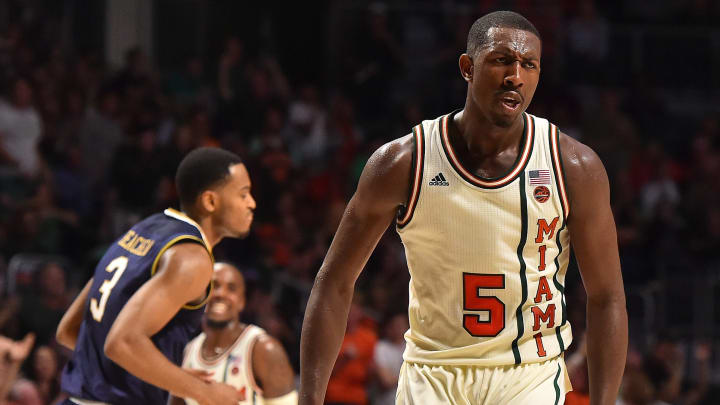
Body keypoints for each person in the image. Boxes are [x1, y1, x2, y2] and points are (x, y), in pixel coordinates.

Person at [300, 10, 627, 405]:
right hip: (432, 372)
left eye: (529, 64)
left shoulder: (574, 166)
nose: (515, 76)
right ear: (467, 67)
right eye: (502, 60)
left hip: (528, 374)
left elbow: (607, 295)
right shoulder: (403, 162)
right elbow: (334, 283)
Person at [55, 147, 256, 405]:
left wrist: (167, 376)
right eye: (244, 194)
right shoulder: (192, 259)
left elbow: (70, 330)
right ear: (210, 202)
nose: (252, 203)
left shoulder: (144, 230)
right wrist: (204, 392)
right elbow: (123, 343)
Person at [169, 262, 297, 405]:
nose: (220, 294)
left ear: (242, 302)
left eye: (231, 288)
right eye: (214, 285)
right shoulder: (188, 351)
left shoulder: (264, 349)